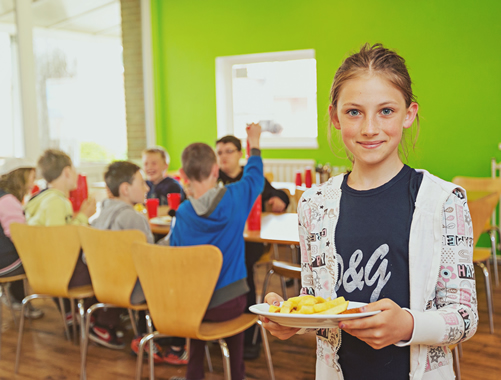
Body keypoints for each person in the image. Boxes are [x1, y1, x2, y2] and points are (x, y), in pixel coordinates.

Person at [261, 43, 478, 380]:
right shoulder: (314, 204)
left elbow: (464, 317)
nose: (370, 128)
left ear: (409, 113)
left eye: (386, 111)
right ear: (335, 116)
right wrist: (291, 316)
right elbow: (317, 300)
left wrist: (407, 324)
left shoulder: (444, 202)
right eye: (354, 112)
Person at [169, 123, 264, 380]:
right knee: (231, 312)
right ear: (215, 169)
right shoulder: (235, 197)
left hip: (192, 305)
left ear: (182, 175)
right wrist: (253, 143)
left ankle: (194, 374)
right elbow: (255, 177)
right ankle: (236, 374)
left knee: (197, 317)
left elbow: (173, 254)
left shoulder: (183, 213)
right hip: (229, 304)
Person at [92, 161, 187, 362]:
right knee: (180, 278)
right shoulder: (133, 218)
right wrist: (174, 235)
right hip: (134, 290)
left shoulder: (99, 216)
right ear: (125, 189)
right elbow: (151, 257)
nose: (146, 188)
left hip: (105, 287)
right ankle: (173, 342)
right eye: (142, 183)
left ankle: (145, 334)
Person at [216, 134, 290, 359]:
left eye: (229, 151)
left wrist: (280, 201)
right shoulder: (214, 178)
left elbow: (277, 194)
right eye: (219, 153)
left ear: (240, 154)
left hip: (251, 243)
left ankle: (247, 335)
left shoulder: (250, 177)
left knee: (241, 262)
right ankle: (217, 323)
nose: (224, 157)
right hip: (222, 242)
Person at [25, 149, 96, 324]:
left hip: (40, 272)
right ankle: (96, 323)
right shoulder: (56, 202)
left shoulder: (38, 200)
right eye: (74, 170)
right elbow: (61, 241)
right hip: (59, 273)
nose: (77, 174)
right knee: (104, 271)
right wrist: (83, 217)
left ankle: (72, 314)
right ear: (66, 172)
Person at [0, 157, 43, 319]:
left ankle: (15, 296)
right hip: (5, 263)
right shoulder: (7, 200)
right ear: (21, 177)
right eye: (32, 178)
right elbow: (18, 236)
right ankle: (20, 300)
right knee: (41, 259)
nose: (33, 184)